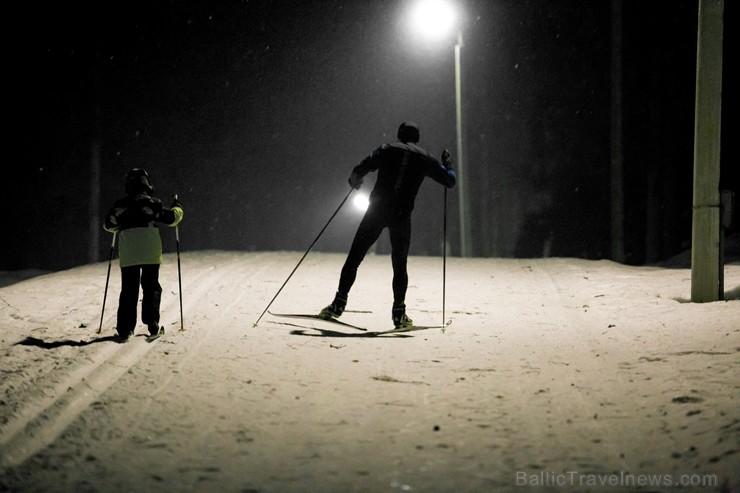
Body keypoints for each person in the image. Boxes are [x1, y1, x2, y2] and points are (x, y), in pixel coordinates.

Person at [320, 121, 456, 328]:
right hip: (401, 215)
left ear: (400, 134)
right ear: (417, 137)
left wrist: (355, 179)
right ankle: (399, 314)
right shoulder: (425, 158)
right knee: (399, 265)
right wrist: (448, 163)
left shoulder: (386, 149)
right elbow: (449, 181)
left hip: (377, 210)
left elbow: (362, 166)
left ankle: (338, 304)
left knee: (355, 257)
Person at [103, 168, 184, 342]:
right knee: (151, 287)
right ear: (147, 185)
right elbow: (172, 219)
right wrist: (177, 207)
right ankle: (152, 323)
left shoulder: (120, 206)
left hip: (129, 253)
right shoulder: (153, 204)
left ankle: (125, 329)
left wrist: (123, 223)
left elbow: (108, 225)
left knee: (129, 290)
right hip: (150, 252)